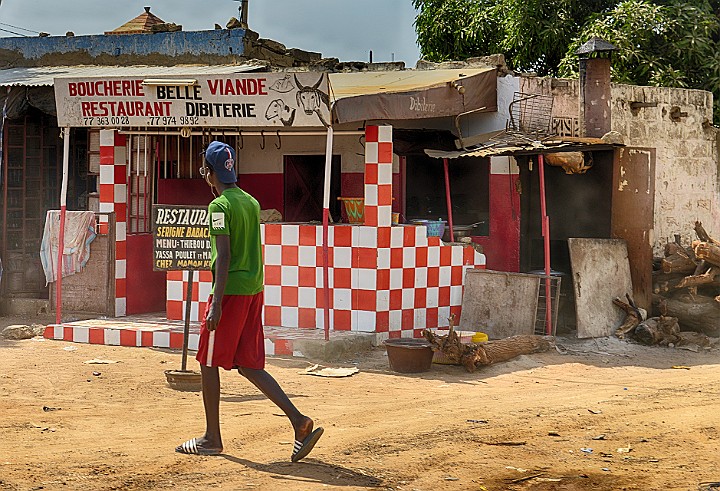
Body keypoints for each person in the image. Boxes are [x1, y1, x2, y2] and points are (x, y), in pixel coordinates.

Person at [176, 140, 323, 462]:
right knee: (248, 364)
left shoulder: (218, 207)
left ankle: (211, 438)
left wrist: (216, 303)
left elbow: (224, 255)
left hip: (230, 292)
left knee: (207, 361)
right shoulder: (251, 202)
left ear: (210, 172)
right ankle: (299, 422)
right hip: (254, 290)